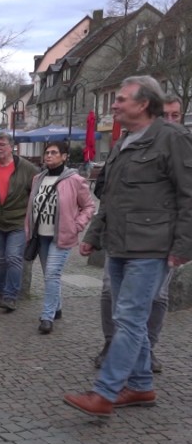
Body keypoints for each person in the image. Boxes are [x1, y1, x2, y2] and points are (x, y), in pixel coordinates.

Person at [66, 75, 192, 418]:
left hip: (152, 246)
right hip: (120, 246)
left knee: (130, 317)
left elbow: (188, 195)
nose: (115, 105)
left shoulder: (173, 138)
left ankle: (104, 392)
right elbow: (110, 197)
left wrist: (183, 246)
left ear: (143, 104)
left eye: (121, 99)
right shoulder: (123, 143)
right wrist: (93, 235)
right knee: (127, 317)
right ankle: (140, 385)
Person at [93, 93, 189, 370]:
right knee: (111, 292)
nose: (171, 121)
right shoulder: (129, 143)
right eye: (166, 116)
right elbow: (105, 189)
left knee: (155, 297)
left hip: (159, 239)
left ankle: (146, 352)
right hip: (121, 234)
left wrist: (183, 243)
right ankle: (113, 344)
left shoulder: (180, 144)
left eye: (176, 116)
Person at [24, 142, 95, 334]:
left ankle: (47, 316)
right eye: (47, 152)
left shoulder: (74, 180)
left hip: (61, 236)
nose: (49, 156)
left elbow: (89, 206)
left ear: (64, 156)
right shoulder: (38, 178)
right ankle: (57, 306)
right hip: (41, 236)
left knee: (53, 274)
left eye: (54, 153)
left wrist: (77, 225)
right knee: (49, 275)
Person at [0, 132, 39, 311]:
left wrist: (35, 220)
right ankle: (3, 294)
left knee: (13, 258)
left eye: (2, 144)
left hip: (18, 222)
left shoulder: (27, 169)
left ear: (11, 147)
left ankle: (11, 296)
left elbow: (38, 195)